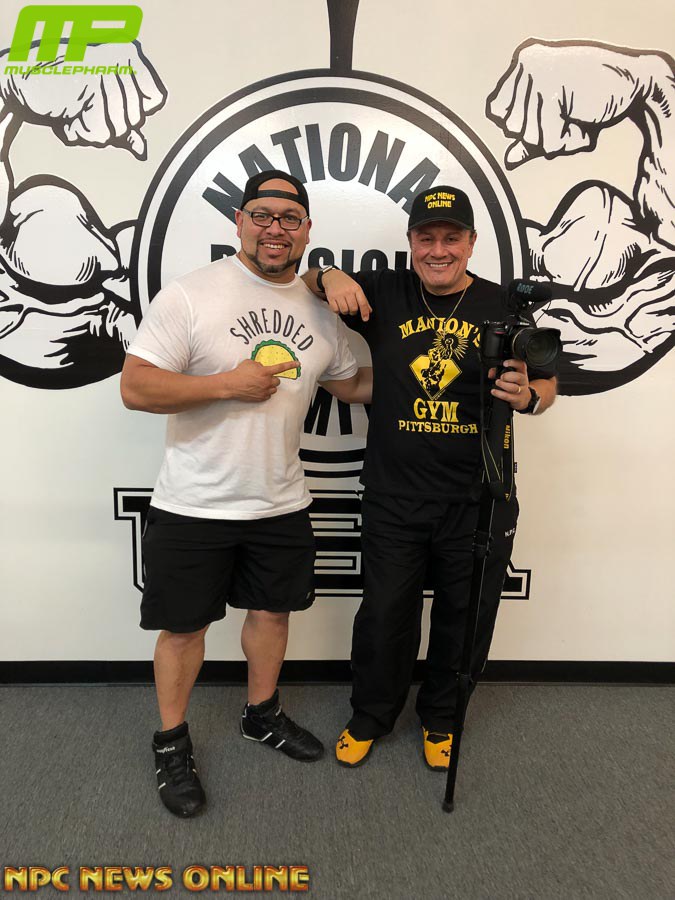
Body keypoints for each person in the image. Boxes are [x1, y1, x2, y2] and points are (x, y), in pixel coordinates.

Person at [120, 170, 372, 817]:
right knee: (184, 630)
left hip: (281, 501)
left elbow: (351, 384)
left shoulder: (320, 310)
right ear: (239, 221)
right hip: (193, 503)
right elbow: (136, 386)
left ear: (307, 230)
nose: (274, 228)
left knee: (272, 615)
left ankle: (261, 714)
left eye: (289, 218)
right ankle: (171, 741)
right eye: (261, 215)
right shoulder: (191, 294)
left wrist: (441, 377)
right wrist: (224, 385)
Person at [302, 186, 557, 770]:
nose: (438, 249)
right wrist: (330, 274)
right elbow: (308, 280)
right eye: (426, 237)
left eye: (451, 238)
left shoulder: (503, 305)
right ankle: (371, 714)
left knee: (464, 618)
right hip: (394, 495)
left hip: (479, 495)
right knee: (384, 615)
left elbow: (548, 383)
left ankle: (442, 718)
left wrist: (529, 397)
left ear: (471, 242)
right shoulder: (386, 291)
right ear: (411, 242)